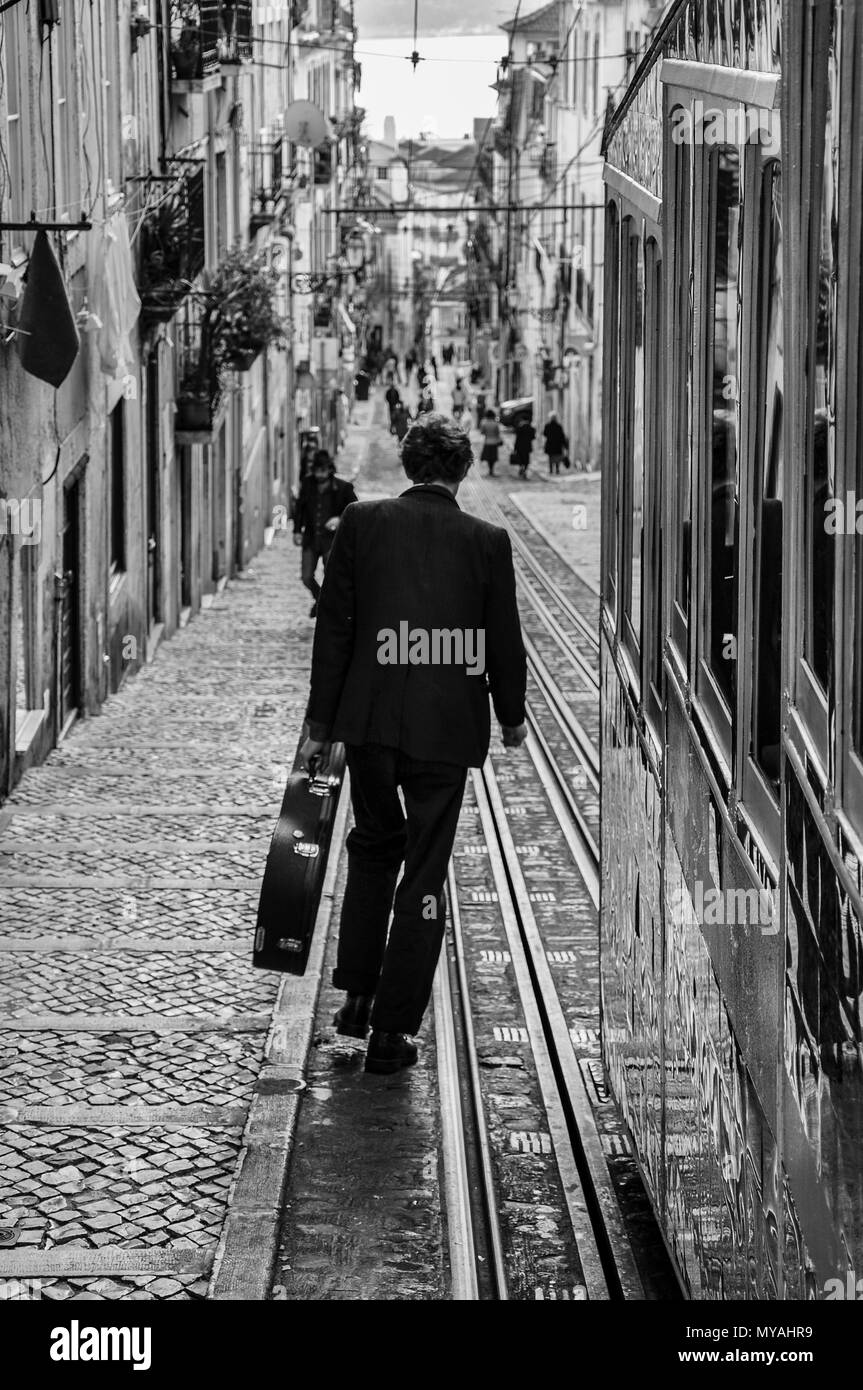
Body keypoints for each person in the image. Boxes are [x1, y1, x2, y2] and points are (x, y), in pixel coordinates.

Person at [300, 413, 528, 1074]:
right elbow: (501, 640)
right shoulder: (486, 542)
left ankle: (354, 1000)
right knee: (423, 871)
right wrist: (510, 717)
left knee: (372, 849)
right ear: (462, 471)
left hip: (368, 724)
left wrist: (321, 720)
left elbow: (335, 630)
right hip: (443, 733)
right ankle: (393, 1033)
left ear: (407, 464)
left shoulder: (363, 524)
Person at [292, 451, 357, 618]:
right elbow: (300, 509)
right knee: (306, 576)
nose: (319, 475)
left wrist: (339, 519)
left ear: (329, 470)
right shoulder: (307, 484)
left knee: (332, 576)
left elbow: (355, 511)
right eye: (316, 471)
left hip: (332, 541)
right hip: (311, 538)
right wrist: (297, 531)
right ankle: (321, 601)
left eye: (322, 470)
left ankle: (328, 606)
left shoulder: (343, 488)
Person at [478, 408, 503, 478]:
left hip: (487, 442)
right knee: (493, 457)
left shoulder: (484, 423)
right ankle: (491, 470)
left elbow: (482, 432)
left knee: (488, 457)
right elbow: (497, 433)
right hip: (494, 442)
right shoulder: (495, 424)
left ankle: (490, 470)